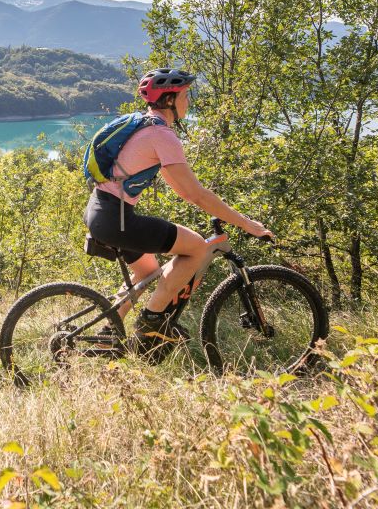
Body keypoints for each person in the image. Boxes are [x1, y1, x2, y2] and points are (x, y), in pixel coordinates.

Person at [83, 68, 274, 361]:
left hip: (101, 211)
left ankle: (110, 333)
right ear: (170, 99)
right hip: (116, 218)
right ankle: (152, 322)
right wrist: (247, 224)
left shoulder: (146, 126)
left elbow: (183, 189)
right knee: (196, 247)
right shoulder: (161, 134)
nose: (189, 101)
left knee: (147, 271)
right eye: (185, 95)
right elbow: (194, 194)